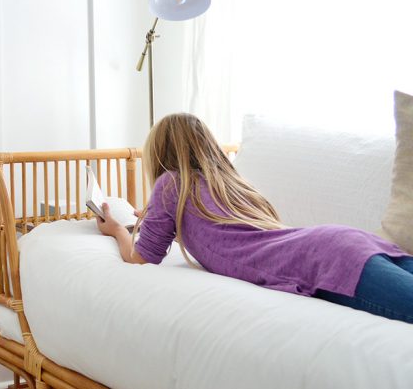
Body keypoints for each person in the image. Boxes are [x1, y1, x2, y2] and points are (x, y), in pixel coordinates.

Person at [96, 112, 413, 323]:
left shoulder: (172, 184)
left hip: (326, 262)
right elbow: (217, 237)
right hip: (341, 243)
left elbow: (140, 261)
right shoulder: (230, 185)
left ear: (160, 154)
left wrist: (115, 230)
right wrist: (157, 222)